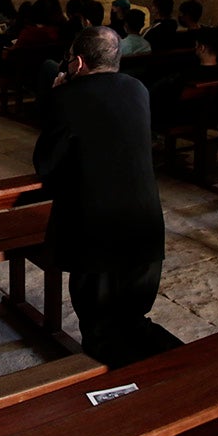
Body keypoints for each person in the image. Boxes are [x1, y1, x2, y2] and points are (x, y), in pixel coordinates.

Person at [33, 26, 183, 368]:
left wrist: (55, 99)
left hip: (97, 233)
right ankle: (190, 371)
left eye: (70, 60)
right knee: (135, 320)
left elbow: (46, 165)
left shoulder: (67, 97)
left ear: (79, 62)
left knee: (101, 332)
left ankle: (125, 399)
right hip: (145, 226)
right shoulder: (138, 89)